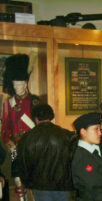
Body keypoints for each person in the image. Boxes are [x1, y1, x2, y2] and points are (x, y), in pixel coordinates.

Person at [16, 104, 75, 201]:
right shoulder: (67, 135)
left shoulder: (26, 138)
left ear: (35, 118)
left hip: (40, 186)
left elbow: (21, 161)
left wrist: (26, 182)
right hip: (63, 185)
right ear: (52, 116)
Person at [1, 54, 40, 200]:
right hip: (14, 146)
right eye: (15, 84)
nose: (17, 87)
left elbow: (40, 125)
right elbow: (5, 128)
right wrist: (9, 143)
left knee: (34, 174)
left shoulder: (35, 101)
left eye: (20, 84)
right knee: (16, 175)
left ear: (26, 83)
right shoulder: (8, 103)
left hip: (31, 145)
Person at [72, 112, 102, 201]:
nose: (100, 133)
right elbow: (93, 188)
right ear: (83, 132)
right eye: (96, 129)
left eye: (100, 129)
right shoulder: (80, 156)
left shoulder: (96, 150)